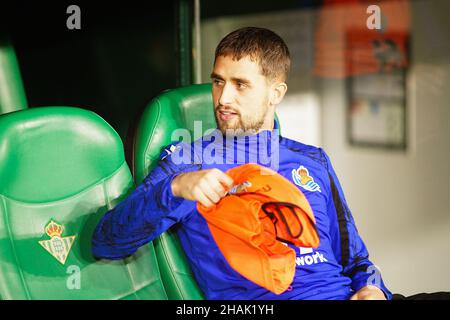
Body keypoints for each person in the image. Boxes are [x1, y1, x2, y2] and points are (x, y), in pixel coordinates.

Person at [92, 27, 391, 300]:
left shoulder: (313, 160)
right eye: (218, 82)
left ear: (276, 93)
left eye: (240, 84)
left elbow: (357, 261)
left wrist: (374, 289)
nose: (223, 98)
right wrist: (175, 188)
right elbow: (107, 241)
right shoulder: (187, 162)